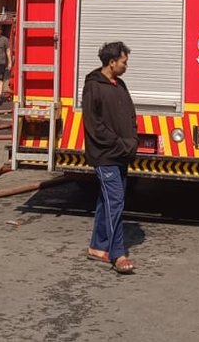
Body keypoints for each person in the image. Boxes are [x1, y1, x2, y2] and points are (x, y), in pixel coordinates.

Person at [82, 41, 138, 274]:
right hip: (105, 155)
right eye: (124, 61)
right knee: (115, 201)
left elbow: (130, 115)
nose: (127, 65)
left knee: (107, 201)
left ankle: (98, 246)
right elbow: (94, 125)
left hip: (122, 154)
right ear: (111, 62)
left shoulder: (119, 84)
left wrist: (131, 140)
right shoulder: (93, 86)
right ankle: (117, 253)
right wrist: (119, 143)